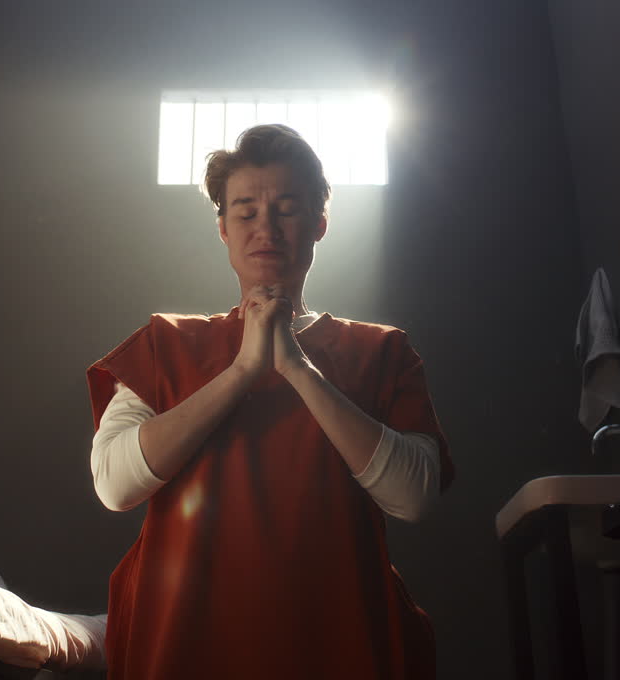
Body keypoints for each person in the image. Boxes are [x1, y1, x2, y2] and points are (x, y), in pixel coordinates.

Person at [87, 124, 454, 679]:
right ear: (223, 229)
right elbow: (115, 484)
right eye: (246, 211)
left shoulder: (382, 351)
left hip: (342, 639)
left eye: (287, 208)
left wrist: (296, 368)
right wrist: (242, 371)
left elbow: (415, 495)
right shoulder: (166, 343)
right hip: (183, 642)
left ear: (318, 225)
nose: (267, 228)